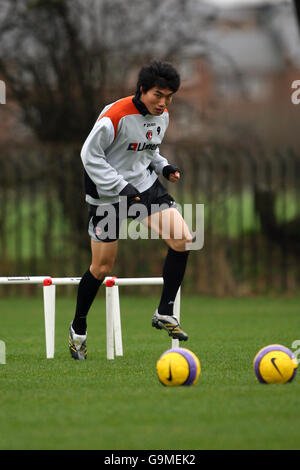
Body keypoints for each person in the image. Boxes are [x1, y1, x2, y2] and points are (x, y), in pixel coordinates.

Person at [69, 60, 193, 360]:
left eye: (169, 96)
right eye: (157, 95)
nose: (163, 102)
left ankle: (164, 313)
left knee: (183, 238)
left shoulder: (162, 117)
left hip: (144, 187)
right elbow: (90, 155)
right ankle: (78, 328)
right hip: (107, 195)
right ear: (142, 90)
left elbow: (148, 150)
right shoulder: (115, 116)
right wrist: (120, 187)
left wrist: (164, 166)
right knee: (102, 268)